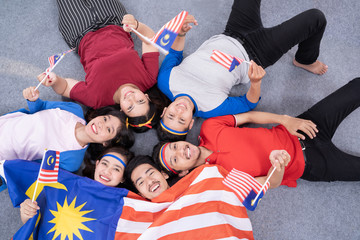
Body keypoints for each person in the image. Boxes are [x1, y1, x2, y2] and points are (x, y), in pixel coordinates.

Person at [157, 0, 328, 141]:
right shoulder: (211, 110)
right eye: (181, 120)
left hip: (232, 31)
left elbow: (175, 54)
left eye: (171, 115)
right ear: (190, 124)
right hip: (258, 53)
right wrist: (255, 83)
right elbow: (248, 103)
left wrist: (180, 34)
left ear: (165, 111)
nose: (179, 111)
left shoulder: (165, 81)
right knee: (316, 18)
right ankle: (305, 60)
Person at [153, 77, 360, 188]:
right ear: (182, 172)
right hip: (313, 163)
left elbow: (249, 117)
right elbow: (269, 184)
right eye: (175, 160)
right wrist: (278, 166)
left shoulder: (209, 128)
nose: (180, 151)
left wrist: (285, 119)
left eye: (174, 147)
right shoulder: (219, 181)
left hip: (302, 126)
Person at [38, 0, 161, 132]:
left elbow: (66, 87)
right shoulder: (149, 78)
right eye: (140, 101)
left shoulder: (97, 99)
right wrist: (137, 25)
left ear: (121, 111)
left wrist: (54, 81)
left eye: (130, 107)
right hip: (115, 20)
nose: (131, 98)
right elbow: (151, 41)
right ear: (147, 97)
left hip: (80, 31)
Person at [0, 86, 134, 173]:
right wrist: (33, 99)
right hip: (6, 123)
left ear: (106, 143)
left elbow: (32, 169)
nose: (101, 124)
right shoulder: (74, 109)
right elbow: (41, 107)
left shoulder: (72, 161)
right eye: (105, 118)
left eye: (109, 129)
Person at [19, 146, 134, 224]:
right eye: (104, 163)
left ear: (123, 178)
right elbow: (35, 227)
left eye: (116, 169)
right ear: (97, 164)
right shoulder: (66, 186)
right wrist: (27, 213)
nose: (107, 171)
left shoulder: (123, 209)